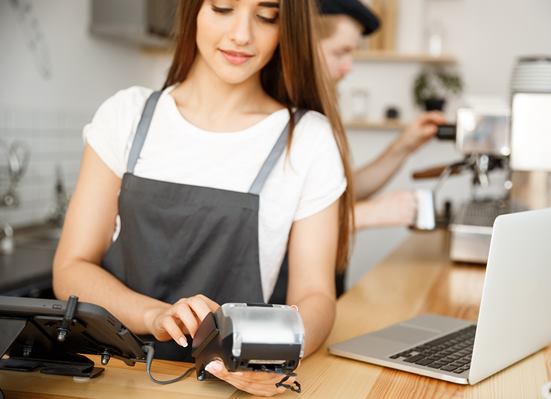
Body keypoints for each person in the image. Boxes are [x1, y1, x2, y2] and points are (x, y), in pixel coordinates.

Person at [52, 0, 352, 396]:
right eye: (223, 7)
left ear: (287, 27)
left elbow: (315, 296)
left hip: (230, 391)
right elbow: (71, 268)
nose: (242, 34)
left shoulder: (308, 140)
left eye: (267, 16)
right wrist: (155, 314)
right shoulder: (127, 115)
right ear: (193, 9)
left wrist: (275, 357)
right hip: (115, 383)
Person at [317, 0, 446, 230]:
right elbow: (283, 221)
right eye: (340, 52)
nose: (349, 67)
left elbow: (341, 193)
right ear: (301, 46)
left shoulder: (318, 112)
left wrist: (404, 146)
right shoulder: (280, 116)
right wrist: (370, 213)